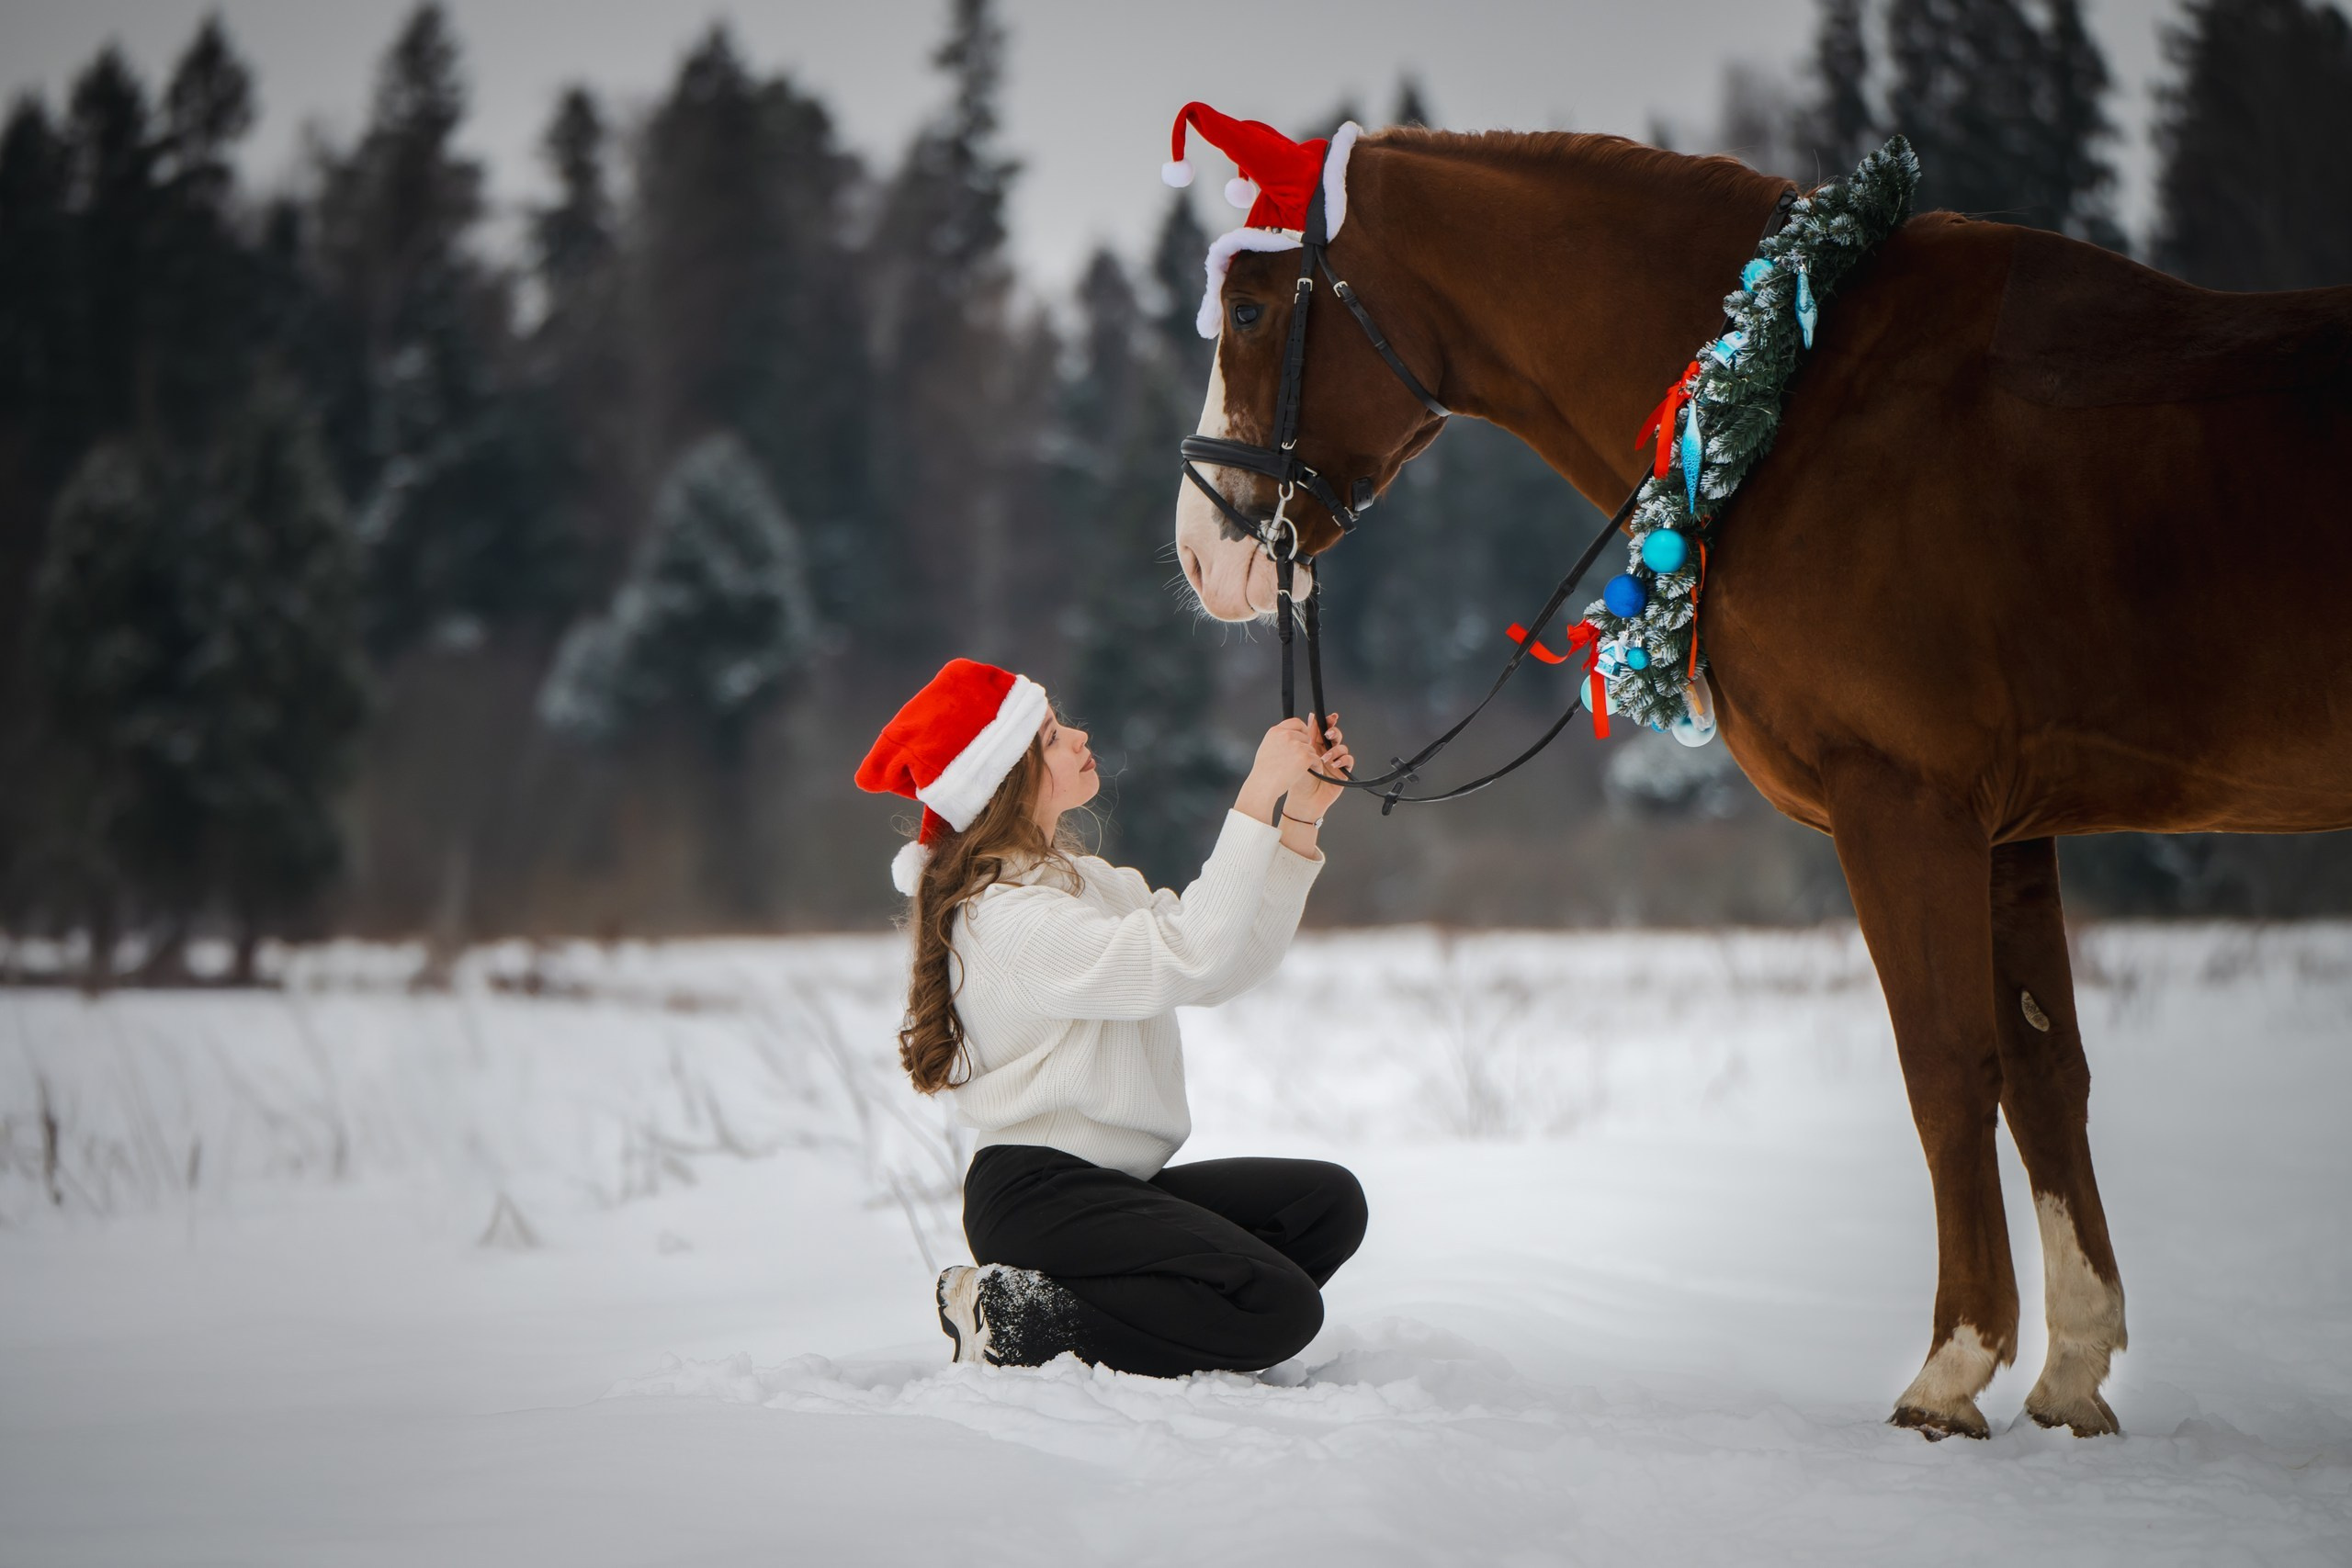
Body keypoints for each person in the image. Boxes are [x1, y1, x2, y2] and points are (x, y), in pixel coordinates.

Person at [854, 658, 1366, 1377]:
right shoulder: (1004, 917)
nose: (1078, 736)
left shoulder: (1084, 881)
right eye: (1051, 737)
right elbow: (1188, 952)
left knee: (1324, 1203)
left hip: (1118, 1186)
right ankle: (1013, 1318)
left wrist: (1300, 818)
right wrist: (1256, 795)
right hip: (1040, 1194)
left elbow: (1223, 963)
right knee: (1278, 1308)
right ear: (1006, 781)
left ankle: (1113, 1316)